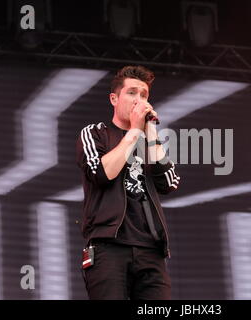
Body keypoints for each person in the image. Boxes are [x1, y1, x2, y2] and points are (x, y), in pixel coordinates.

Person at [76, 65, 180, 300]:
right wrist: (134, 131)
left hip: (151, 250)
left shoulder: (150, 142)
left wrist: (149, 130)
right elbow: (101, 173)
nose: (139, 100)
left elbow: (169, 183)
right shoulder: (95, 133)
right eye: (132, 92)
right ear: (114, 98)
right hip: (108, 247)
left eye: (144, 95)